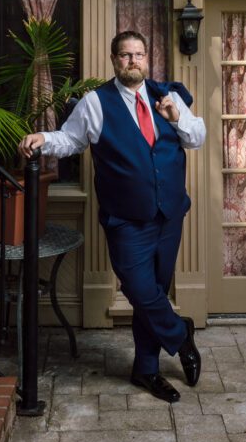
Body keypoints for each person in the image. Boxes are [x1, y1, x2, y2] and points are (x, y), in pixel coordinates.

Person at [19, 29, 206, 404]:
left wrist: (176, 118)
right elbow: (72, 140)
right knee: (140, 289)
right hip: (126, 219)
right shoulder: (96, 102)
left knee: (153, 292)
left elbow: (196, 138)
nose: (132, 60)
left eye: (138, 54)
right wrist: (43, 138)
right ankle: (179, 334)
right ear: (114, 60)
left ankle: (146, 369)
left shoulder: (166, 96)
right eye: (125, 54)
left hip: (168, 215)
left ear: (147, 59)